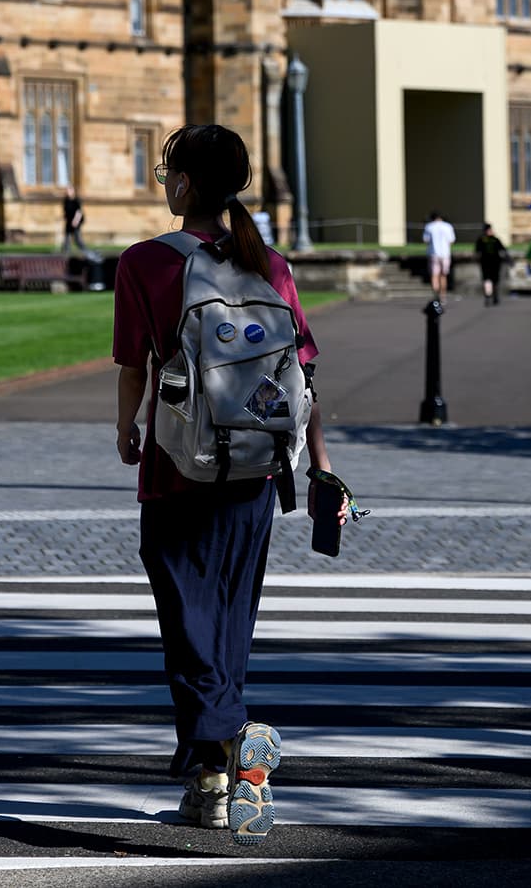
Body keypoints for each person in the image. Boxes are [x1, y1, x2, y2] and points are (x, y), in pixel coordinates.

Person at [112, 124, 347, 844]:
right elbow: (303, 375)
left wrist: (126, 428)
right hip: (256, 471)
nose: (165, 183)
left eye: (166, 173)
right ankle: (215, 778)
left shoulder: (146, 262)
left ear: (184, 183)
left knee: (188, 626)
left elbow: (133, 364)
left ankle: (228, 743)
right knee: (228, 623)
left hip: (176, 467)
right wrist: (321, 465)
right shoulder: (268, 262)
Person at [422, 210, 456, 302]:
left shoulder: (429, 226)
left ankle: (436, 296)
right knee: (443, 275)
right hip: (445, 254)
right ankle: (442, 296)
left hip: (433, 253)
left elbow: (426, 240)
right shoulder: (448, 226)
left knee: (434, 275)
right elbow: (451, 240)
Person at [473, 222, 509, 306]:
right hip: (495, 262)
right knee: (494, 280)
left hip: (485, 263)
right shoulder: (495, 239)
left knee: (487, 280)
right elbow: (503, 250)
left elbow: (477, 252)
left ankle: (488, 296)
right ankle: (494, 296)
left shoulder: (481, 239)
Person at [60, 185, 90, 256]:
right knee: (67, 238)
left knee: (78, 239)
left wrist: (75, 221)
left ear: (73, 191)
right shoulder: (66, 200)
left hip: (75, 222)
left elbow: (79, 212)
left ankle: (86, 251)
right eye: (67, 191)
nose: (67, 192)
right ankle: (65, 253)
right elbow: (65, 211)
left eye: (69, 190)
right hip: (68, 222)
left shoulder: (76, 200)